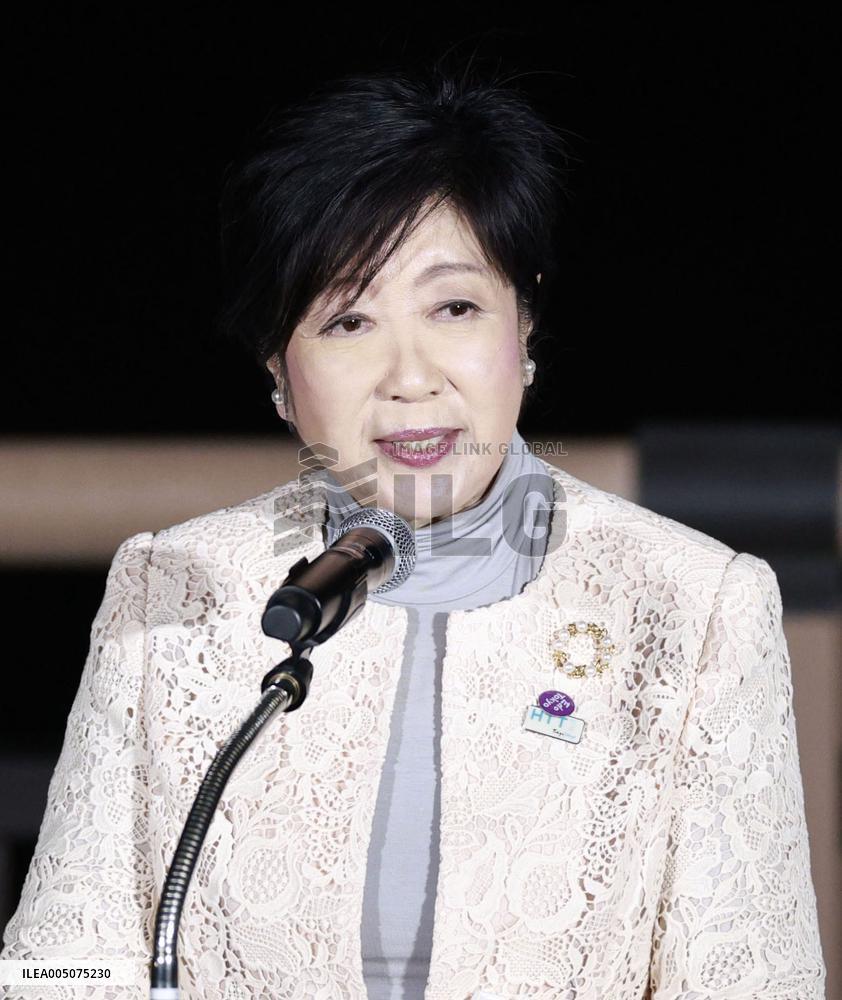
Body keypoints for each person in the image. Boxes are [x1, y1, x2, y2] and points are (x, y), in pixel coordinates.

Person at [1, 66, 826, 1000]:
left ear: (525, 321)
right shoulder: (170, 590)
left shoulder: (692, 604)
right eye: (348, 320)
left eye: (454, 308)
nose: (410, 377)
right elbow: (51, 968)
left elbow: (754, 981)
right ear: (279, 367)